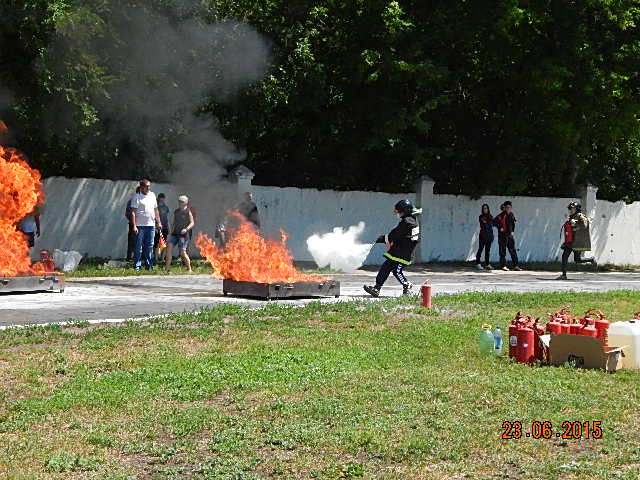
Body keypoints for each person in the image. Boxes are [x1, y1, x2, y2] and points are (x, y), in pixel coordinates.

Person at [363, 199, 421, 297]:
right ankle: (376, 288)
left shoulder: (407, 222)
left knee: (396, 271)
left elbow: (395, 234)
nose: (398, 213)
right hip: (397, 251)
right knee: (385, 268)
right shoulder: (410, 219)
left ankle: (407, 285)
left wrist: (382, 239)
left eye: (400, 211)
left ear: (404, 211)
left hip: (404, 253)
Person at [556, 201, 596, 280]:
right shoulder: (572, 217)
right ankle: (564, 275)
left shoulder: (580, 216)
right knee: (564, 256)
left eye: (573, 209)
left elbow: (584, 225)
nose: (571, 210)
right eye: (570, 209)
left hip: (577, 242)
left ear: (577, 209)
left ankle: (591, 259)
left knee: (577, 260)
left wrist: (575, 223)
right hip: (570, 241)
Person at [130, 179, 161, 271]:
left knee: (150, 246)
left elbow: (156, 210)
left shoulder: (152, 195)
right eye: (147, 186)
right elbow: (133, 213)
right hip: (140, 226)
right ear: (141, 187)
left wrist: (158, 222)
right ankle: (137, 266)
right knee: (138, 246)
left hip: (151, 225)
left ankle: (149, 266)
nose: (148, 188)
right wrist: (134, 226)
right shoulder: (136, 197)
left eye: (149, 186)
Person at [165, 195, 195, 272]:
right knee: (168, 249)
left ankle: (189, 269)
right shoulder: (176, 211)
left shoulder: (188, 211)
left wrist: (186, 229)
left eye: (181, 201)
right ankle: (167, 269)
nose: (179, 203)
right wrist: (170, 232)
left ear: (185, 203)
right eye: (179, 201)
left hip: (183, 236)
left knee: (182, 253)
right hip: (174, 234)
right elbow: (173, 222)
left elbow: (192, 223)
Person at [494, 201, 521, 271]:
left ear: (511, 208)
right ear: (504, 208)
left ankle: (516, 266)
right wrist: (500, 228)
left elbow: (513, 224)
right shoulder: (501, 215)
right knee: (502, 251)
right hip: (502, 236)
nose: (508, 208)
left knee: (513, 250)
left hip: (510, 236)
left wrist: (512, 231)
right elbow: (494, 222)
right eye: (506, 207)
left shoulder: (512, 214)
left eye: (509, 207)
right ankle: (503, 266)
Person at [475, 203, 494, 270]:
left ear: (488, 209)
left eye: (486, 208)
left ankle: (487, 264)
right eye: (484, 208)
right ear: (482, 209)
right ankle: (478, 263)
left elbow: (491, 225)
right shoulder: (481, 216)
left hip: (489, 235)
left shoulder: (491, 216)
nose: (485, 209)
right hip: (482, 235)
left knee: (487, 251)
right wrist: (488, 223)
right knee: (480, 249)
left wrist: (492, 236)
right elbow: (485, 224)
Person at [125, 187, 140, 261]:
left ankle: (138, 257)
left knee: (140, 242)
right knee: (132, 241)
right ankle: (129, 257)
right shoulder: (131, 201)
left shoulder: (144, 201)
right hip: (133, 225)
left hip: (142, 225)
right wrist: (133, 222)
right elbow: (127, 214)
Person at [154, 193, 170, 262]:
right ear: (158, 198)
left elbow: (167, 218)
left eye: (163, 198)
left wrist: (169, 227)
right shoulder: (155, 207)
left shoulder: (166, 207)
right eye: (161, 198)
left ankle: (162, 258)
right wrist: (155, 227)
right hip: (158, 227)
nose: (162, 199)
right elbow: (154, 218)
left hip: (165, 227)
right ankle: (156, 258)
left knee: (164, 243)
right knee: (157, 243)